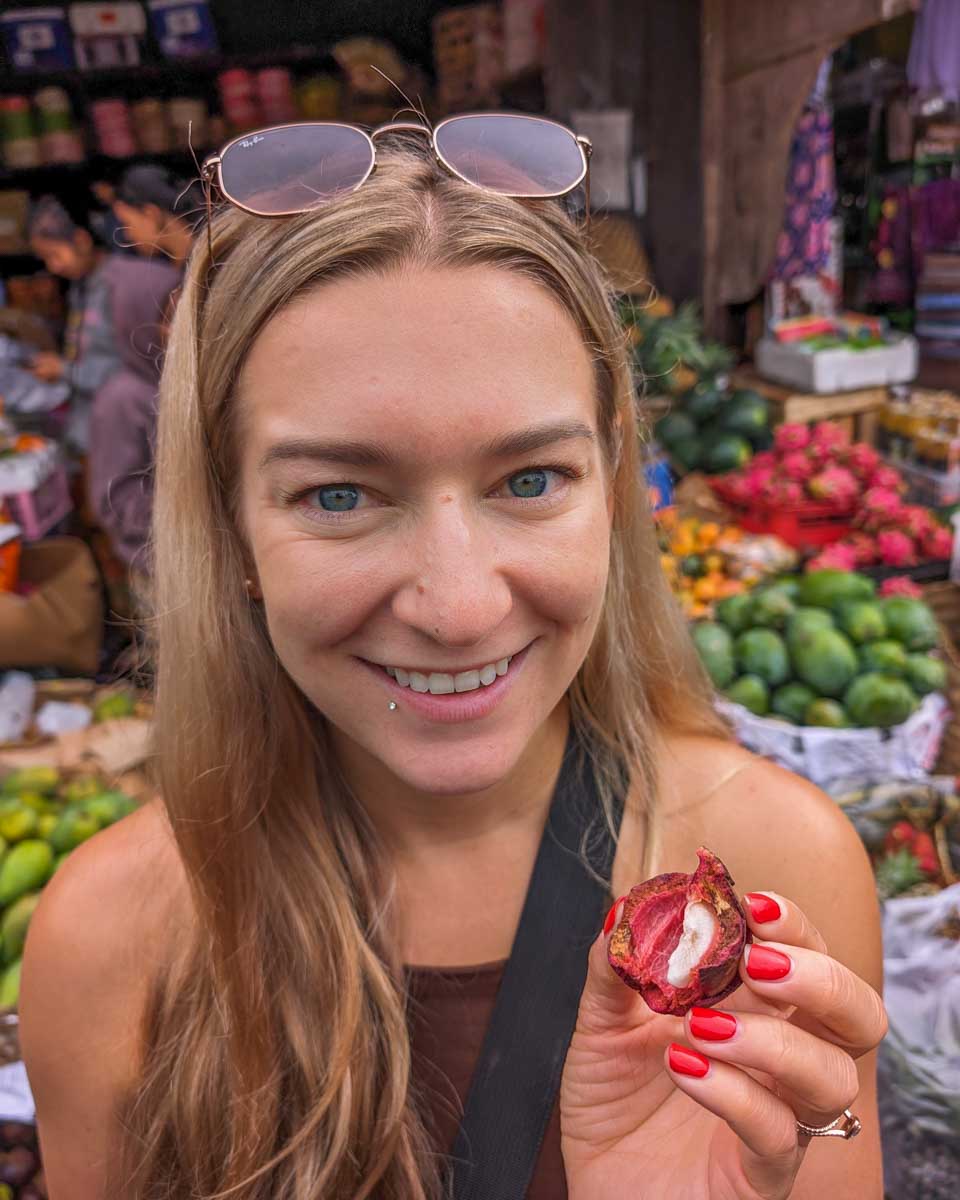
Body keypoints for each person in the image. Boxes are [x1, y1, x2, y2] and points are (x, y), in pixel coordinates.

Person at [20, 120, 887, 1200]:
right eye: (339, 494)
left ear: (615, 482)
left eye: (530, 480)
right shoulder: (107, 946)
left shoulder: (782, 871)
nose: (460, 607)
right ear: (230, 529)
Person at [27, 196, 180, 462]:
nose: (53, 267)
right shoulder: (81, 286)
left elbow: (136, 369)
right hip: (89, 431)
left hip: (125, 435)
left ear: (81, 240)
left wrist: (64, 370)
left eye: (54, 255)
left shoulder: (123, 286)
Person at [111, 164, 203, 267]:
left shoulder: (206, 258)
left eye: (127, 223)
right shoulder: (186, 261)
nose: (127, 235)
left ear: (151, 214)